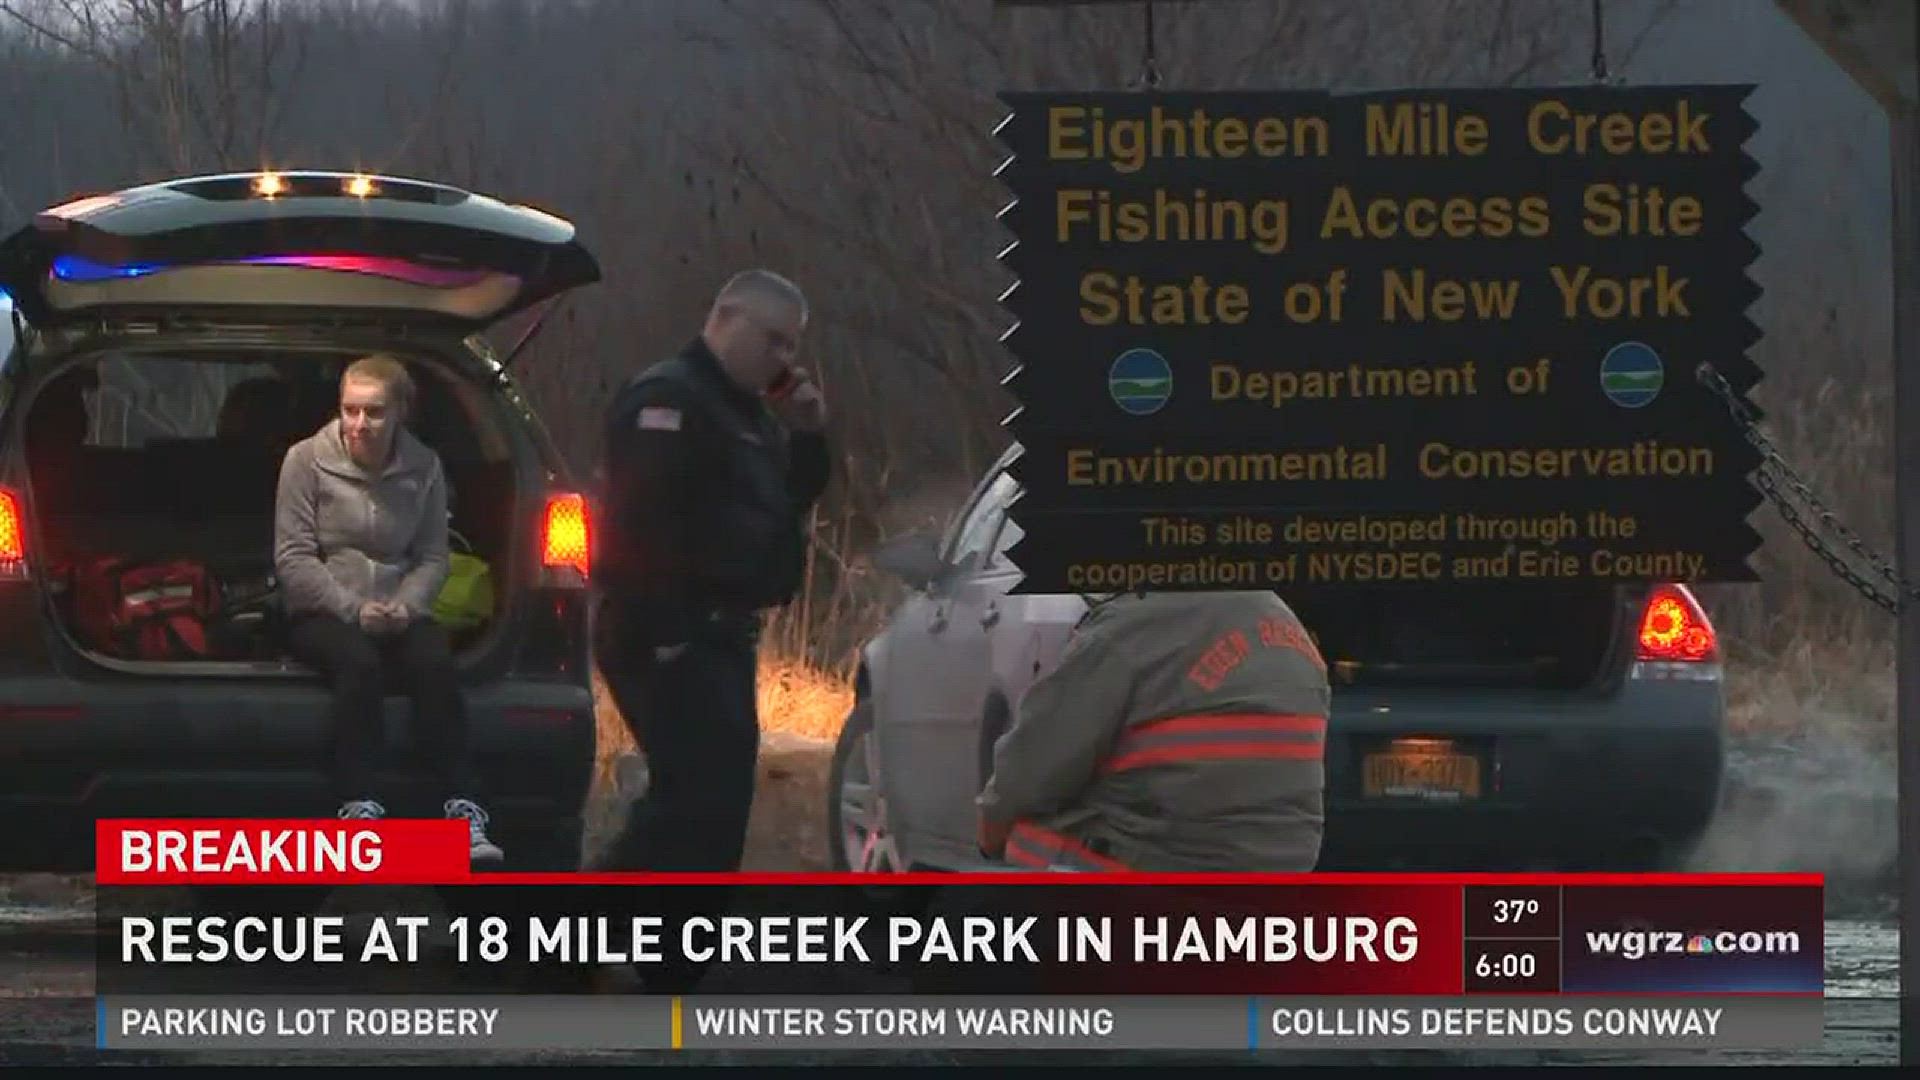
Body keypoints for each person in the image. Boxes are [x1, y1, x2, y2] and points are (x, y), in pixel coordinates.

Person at [596, 269, 830, 877]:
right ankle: (572, 934)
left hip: (721, 635)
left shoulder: (746, 414)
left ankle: (671, 958)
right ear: (725, 319)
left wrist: (807, 436)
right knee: (691, 805)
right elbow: (638, 526)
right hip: (667, 634)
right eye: (772, 339)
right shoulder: (669, 400)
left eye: (792, 345)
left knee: (716, 812)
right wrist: (667, 634)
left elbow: (783, 506)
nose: (782, 357)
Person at [272, 355, 502, 862]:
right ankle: (359, 809)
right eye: (350, 410)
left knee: (435, 664)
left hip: (400, 607)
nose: (359, 424)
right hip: (323, 609)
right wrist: (353, 610)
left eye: (373, 412)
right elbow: (293, 559)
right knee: (359, 665)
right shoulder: (305, 461)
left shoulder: (424, 468)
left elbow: (433, 556)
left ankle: (465, 811)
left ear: (401, 411)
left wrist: (407, 606)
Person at [976, 590, 1330, 873]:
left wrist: (992, 825)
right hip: (1280, 871)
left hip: (1166, 868)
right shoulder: (1286, 624)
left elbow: (1032, 769)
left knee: (1022, 836)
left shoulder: (1131, 626)